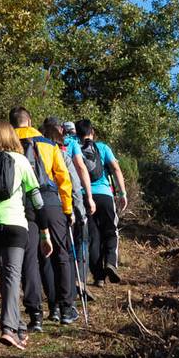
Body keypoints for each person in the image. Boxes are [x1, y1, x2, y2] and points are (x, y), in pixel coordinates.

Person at [0, 120, 47, 349]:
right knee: (12, 277)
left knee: (5, 277)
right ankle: (8, 328)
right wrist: (45, 232)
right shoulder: (21, 160)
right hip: (15, 225)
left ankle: (20, 327)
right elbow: (36, 199)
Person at [10, 108, 77, 331]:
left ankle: (35, 314)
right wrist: (68, 208)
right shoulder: (48, 144)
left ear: (12, 123)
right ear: (29, 120)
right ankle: (66, 308)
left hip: (22, 202)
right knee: (61, 253)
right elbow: (62, 177)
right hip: (49, 201)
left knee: (31, 257)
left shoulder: (8, 142)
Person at [75, 119, 129, 282]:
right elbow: (116, 168)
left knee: (93, 236)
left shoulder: (75, 148)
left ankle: (98, 277)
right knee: (110, 230)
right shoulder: (103, 148)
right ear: (92, 132)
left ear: (77, 133)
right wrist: (122, 193)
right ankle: (111, 262)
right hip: (105, 195)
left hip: (85, 196)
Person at [54, 118, 97, 307]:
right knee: (82, 237)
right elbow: (80, 168)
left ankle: (65, 280)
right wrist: (88, 196)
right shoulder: (74, 145)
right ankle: (79, 276)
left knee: (63, 239)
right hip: (74, 194)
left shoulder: (51, 144)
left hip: (54, 197)